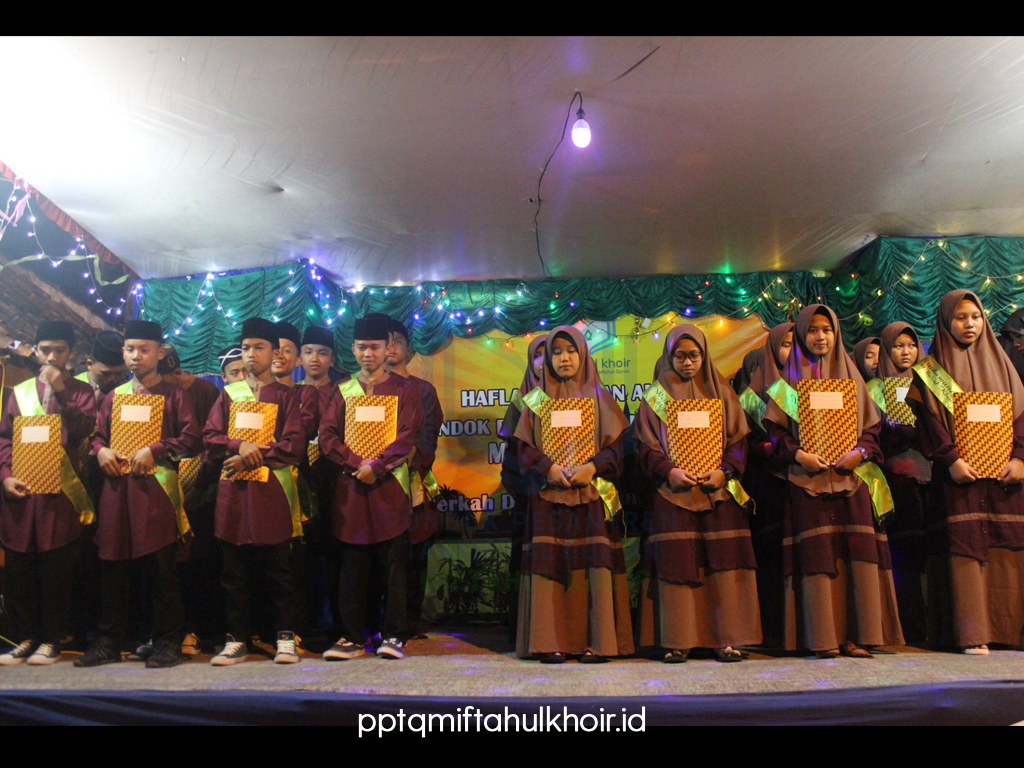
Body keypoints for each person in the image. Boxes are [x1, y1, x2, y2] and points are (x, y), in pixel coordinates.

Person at [764, 304, 903, 658]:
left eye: (826, 329)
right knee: (816, 557)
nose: (820, 336)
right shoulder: (787, 384)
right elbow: (775, 433)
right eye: (812, 330)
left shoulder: (853, 378)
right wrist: (798, 455)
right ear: (800, 335)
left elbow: (872, 429)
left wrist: (860, 453)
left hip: (850, 482)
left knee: (852, 557)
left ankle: (857, 636)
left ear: (836, 333)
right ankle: (820, 638)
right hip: (806, 483)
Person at [78, 320, 202, 668]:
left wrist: (157, 449)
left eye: (144, 350)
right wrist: (100, 451)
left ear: (160, 353)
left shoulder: (175, 395)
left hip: (156, 492)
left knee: (163, 569)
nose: (136, 356)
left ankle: (167, 642)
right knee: (112, 567)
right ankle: (108, 641)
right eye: (130, 349)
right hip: (117, 491)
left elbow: (193, 440)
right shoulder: (113, 397)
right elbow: (97, 437)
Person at [634, 325, 760, 662]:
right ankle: (678, 639)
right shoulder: (657, 396)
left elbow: (738, 441)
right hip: (673, 494)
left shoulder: (721, 392)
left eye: (694, 355)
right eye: (679, 356)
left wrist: (725, 472)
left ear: (704, 356)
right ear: (668, 357)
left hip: (717, 494)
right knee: (677, 565)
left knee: (722, 566)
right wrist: (669, 471)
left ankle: (727, 639)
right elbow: (645, 446)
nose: (687, 362)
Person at [909, 290, 1024, 654]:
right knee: (965, 550)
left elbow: (1021, 417)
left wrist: (1020, 459)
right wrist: (951, 459)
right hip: (960, 476)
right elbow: (929, 422)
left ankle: (1009, 631)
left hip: (1005, 477)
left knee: (1008, 549)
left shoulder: (1004, 363)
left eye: (975, 316)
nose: (969, 324)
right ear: (945, 321)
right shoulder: (931, 370)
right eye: (960, 318)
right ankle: (972, 632)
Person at [513, 325, 633, 664]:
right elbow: (522, 448)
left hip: (591, 496)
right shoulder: (535, 399)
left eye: (571, 351)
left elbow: (618, 447)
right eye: (556, 352)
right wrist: (547, 468)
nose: (564, 358)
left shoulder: (600, 396)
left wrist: (592, 467)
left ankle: (597, 642)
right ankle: (550, 641)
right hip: (548, 497)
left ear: (583, 354)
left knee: (591, 566)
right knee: (551, 567)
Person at [203, 318, 307, 665]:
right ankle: (236, 639)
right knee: (233, 572)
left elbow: (293, 445)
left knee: (280, 571)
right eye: (246, 348)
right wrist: (240, 443)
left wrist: (253, 454)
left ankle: (285, 637)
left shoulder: (287, 396)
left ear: (274, 353)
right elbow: (211, 438)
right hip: (234, 493)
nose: (251, 354)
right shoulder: (229, 394)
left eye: (259, 347)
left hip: (272, 491)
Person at [319, 314, 417, 660]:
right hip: (351, 488)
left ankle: (393, 635)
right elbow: (327, 436)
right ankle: (350, 636)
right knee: (352, 565)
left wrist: (377, 465)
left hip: (388, 487)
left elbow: (407, 436)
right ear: (353, 348)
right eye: (361, 347)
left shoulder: (404, 389)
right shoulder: (341, 390)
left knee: (392, 566)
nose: (368, 354)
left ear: (388, 348)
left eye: (374, 347)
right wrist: (355, 463)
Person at [0, 322, 96, 665]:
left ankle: (52, 640)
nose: (52, 356)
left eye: (59, 349)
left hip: (59, 495)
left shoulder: (81, 391)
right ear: (36, 351)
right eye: (45, 349)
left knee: (55, 570)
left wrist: (62, 393)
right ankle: (24, 637)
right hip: (22, 495)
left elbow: (85, 429)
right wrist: (5, 475)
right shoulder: (20, 391)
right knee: (19, 569)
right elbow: (5, 439)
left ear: (71, 354)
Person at [384, 317, 444, 639]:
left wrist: (416, 460)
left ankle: (411, 617)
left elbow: (430, 432)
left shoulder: (424, 390)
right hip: (380, 479)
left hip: (415, 478)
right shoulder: (368, 389)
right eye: (386, 341)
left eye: (398, 342)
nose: (392, 347)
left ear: (409, 349)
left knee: (415, 550)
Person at [736, 322, 793, 647]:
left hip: (807, 480)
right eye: (785, 345)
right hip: (769, 487)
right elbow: (745, 441)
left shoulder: (815, 386)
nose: (791, 351)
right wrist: (768, 448)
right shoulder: (750, 396)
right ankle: (774, 632)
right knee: (772, 561)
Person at [874, 322, 930, 643]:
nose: (906, 351)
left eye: (911, 345)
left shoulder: (932, 381)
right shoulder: (876, 387)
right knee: (905, 558)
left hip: (932, 476)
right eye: (898, 346)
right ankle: (912, 631)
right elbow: (889, 433)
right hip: (897, 482)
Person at [498, 335, 547, 641]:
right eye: (538, 356)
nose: (544, 361)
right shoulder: (522, 399)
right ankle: (523, 627)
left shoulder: (581, 395)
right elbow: (511, 456)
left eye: (550, 353)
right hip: (529, 494)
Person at [75, 331, 129, 401]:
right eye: (105, 373)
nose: (112, 379)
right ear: (90, 364)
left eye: (119, 373)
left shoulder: (128, 392)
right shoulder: (74, 388)